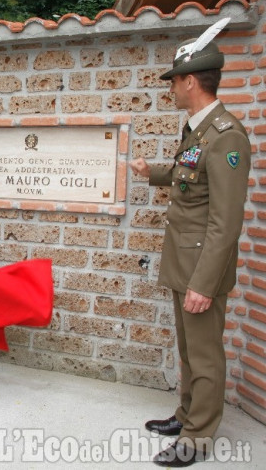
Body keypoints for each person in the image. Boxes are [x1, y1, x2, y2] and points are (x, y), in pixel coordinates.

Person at [130, 29, 251, 467]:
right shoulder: (198, 131)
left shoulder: (226, 136)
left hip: (203, 266)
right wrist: (155, 173)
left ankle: (198, 437)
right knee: (188, 349)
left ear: (191, 82)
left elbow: (226, 220)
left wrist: (204, 282)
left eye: (174, 80)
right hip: (185, 259)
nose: (172, 87)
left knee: (205, 353)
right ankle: (187, 414)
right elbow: (190, 177)